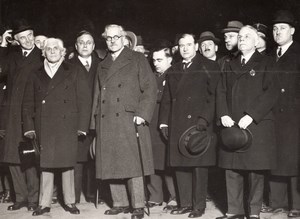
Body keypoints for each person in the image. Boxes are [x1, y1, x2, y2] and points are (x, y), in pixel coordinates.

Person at [90, 24, 157, 219]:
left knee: (133, 164)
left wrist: (143, 113)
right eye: (108, 38)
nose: (112, 41)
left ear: (123, 38)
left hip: (130, 118)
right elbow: (96, 95)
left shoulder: (137, 59)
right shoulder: (102, 64)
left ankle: (137, 205)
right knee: (111, 161)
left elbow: (150, 88)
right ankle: (119, 203)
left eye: (116, 37)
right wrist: (94, 124)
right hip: (107, 118)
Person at [22, 38, 91, 216]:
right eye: (48, 48)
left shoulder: (74, 70)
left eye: (56, 48)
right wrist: (29, 127)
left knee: (68, 164)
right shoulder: (34, 73)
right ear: (43, 52)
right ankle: (44, 204)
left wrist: (82, 126)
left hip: (68, 124)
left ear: (63, 52)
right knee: (45, 165)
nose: (52, 51)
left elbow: (84, 101)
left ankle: (70, 201)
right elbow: (28, 103)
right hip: (43, 125)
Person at [216, 25, 278, 219]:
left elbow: (272, 92)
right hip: (232, 124)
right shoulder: (229, 63)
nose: (242, 39)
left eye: (247, 36)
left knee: (255, 171)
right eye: (240, 36)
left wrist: (251, 115)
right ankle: (234, 211)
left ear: (256, 41)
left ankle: (253, 212)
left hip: (256, 125)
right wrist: (223, 114)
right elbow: (221, 91)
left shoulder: (267, 62)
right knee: (232, 169)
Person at [159, 33, 220, 218]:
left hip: (198, 124)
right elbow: (167, 99)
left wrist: (204, 119)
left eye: (189, 44)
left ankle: (198, 206)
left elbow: (213, 97)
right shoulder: (174, 69)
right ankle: (184, 203)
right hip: (177, 122)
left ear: (196, 46)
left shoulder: (209, 66)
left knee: (199, 167)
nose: (185, 48)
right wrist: (163, 122)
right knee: (180, 165)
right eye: (181, 45)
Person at [0, 19, 41, 211]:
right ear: (16, 40)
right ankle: (20, 197)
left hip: (29, 114)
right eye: (22, 38)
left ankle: (33, 199)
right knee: (12, 158)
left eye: (30, 36)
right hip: (10, 115)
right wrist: (2, 44)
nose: (27, 40)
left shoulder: (42, 56)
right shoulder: (12, 57)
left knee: (29, 157)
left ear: (34, 36)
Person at [268, 10, 300, 218]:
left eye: (282, 28)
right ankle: (276, 202)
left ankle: (296, 204)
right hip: (272, 116)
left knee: (294, 159)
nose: (278, 32)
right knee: (274, 158)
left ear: (293, 31)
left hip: (293, 116)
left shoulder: (298, 54)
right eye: (275, 29)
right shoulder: (270, 57)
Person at [68, 30, 103, 204]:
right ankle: (73, 197)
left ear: (94, 46)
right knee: (78, 158)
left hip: (98, 118)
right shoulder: (68, 65)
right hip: (77, 119)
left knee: (97, 157)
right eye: (81, 42)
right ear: (76, 46)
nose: (85, 45)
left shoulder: (102, 64)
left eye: (88, 42)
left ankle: (92, 195)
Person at [147, 40, 177, 211]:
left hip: (167, 122)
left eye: (159, 60)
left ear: (169, 59)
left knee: (167, 162)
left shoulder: (174, 74)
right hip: (152, 122)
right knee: (152, 160)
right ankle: (155, 195)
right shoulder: (151, 76)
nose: (156, 63)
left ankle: (174, 196)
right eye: (154, 60)